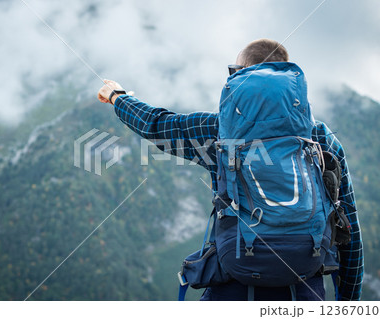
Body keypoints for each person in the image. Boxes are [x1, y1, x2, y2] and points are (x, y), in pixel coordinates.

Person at [97, 39, 363, 301]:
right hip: (304, 289)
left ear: (238, 77)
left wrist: (117, 97)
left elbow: (156, 124)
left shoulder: (218, 131)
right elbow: (349, 234)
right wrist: (348, 304)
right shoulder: (321, 139)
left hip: (233, 284)